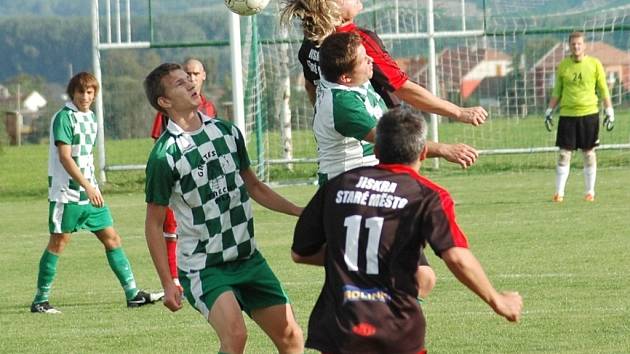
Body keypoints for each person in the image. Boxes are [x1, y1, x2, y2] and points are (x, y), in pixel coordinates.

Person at [292, 106, 523, 354]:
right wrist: (496, 300)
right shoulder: (427, 195)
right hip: (395, 330)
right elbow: (456, 256)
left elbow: (300, 253)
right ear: (423, 152)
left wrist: (348, 258)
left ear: (377, 150)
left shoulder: (338, 185)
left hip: (339, 328)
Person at [143, 63, 304, 354]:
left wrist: (299, 211)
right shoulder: (164, 156)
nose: (191, 84)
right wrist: (167, 283)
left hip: (248, 258)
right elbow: (153, 224)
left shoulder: (227, 132)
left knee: (291, 337)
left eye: (189, 79)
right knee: (235, 336)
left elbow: (255, 188)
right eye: (180, 83)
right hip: (205, 266)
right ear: (164, 102)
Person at [280, 0, 484, 169]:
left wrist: (330, 127)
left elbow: (311, 87)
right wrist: (458, 112)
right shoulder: (357, 42)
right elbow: (403, 88)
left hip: (346, 149)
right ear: (332, 8)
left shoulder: (311, 43)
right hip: (379, 145)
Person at [315, 31, 436, 300]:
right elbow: (395, 140)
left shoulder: (355, 82)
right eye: (362, 59)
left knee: (421, 278)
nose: (370, 59)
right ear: (345, 77)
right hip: (350, 200)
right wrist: (447, 150)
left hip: (375, 192)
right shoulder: (342, 104)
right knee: (398, 281)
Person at [31, 72, 163, 314]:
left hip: (90, 195)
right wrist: (87, 186)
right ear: (73, 92)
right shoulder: (64, 118)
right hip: (68, 194)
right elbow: (65, 158)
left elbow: (86, 157)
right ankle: (40, 300)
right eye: (81, 92)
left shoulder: (91, 118)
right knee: (58, 242)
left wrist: (92, 186)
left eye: (90, 92)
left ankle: (133, 294)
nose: (85, 96)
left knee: (112, 239)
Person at [148, 58, 218, 291]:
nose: (191, 80)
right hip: (181, 181)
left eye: (194, 75)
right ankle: (175, 277)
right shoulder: (164, 153)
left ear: (203, 76)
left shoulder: (216, 120)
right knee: (171, 226)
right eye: (186, 76)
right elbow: (162, 140)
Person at [544, 31, 614, 202]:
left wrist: (609, 110)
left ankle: (590, 192)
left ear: (584, 45)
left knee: (589, 153)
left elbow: (603, 88)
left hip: (589, 114)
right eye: (573, 44)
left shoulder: (594, 64)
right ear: (569, 46)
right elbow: (557, 91)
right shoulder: (563, 66)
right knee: (563, 154)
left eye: (579, 44)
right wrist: (549, 110)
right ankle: (559, 193)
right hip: (567, 115)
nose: (576, 47)